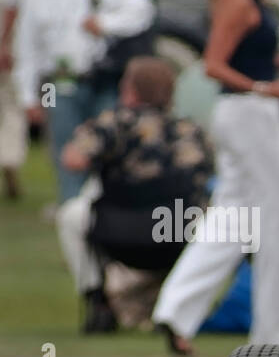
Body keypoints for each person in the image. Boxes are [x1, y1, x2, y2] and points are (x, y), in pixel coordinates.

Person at [151, 0, 279, 356]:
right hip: (249, 114)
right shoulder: (236, 0)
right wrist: (266, 88)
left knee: (233, 218)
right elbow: (214, 65)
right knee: (278, 221)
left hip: (245, 113)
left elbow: (246, 57)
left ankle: (176, 310)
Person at [57, 55, 213, 331]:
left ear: (130, 89)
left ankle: (98, 299)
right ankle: (178, 303)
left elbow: (73, 159)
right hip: (175, 231)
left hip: (119, 230)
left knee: (71, 215)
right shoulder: (189, 130)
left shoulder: (112, 124)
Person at [10, 0, 153, 202]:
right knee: (66, 151)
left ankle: (106, 210)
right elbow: (27, 47)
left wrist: (105, 24)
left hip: (101, 77)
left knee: (107, 148)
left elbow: (141, 8)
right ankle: (71, 209)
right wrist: (28, 97)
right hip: (58, 82)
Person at [0, 0, 25, 198]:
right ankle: (9, 156)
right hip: (12, 35)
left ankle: (8, 156)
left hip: (12, 33)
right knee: (11, 104)